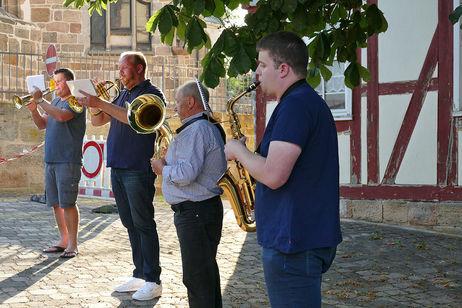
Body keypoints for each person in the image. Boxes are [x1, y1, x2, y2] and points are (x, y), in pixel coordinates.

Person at [224, 31, 343, 307]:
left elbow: (275, 176)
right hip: (301, 237)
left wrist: (238, 151)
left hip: (293, 241)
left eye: (262, 65)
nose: (256, 73)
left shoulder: (296, 106)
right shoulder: (303, 102)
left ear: (284, 69)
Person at [78, 51, 164, 301]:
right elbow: (99, 122)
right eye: (119, 69)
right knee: (129, 222)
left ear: (139, 69)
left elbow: (131, 118)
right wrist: (93, 106)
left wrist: (101, 103)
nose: (120, 74)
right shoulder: (122, 93)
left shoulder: (152, 94)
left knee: (144, 223)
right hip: (118, 165)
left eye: (124, 69)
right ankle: (139, 273)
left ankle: (153, 279)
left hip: (138, 166)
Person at [151, 80, 227, 308]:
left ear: (191, 102)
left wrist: (162, 169)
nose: (174, 108)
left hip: (195, 212)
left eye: (177, 102)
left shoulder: (197, 129)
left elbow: (186, 174)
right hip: (201, 211)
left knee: (196, 278)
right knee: (204, 275)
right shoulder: (203, 126)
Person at [28, 68, 85, 259]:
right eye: (54, 82)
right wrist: (35, 110)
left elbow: (61, 116)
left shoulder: (75, 101)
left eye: (59, 82)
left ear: (69, 83)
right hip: (51, 158)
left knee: (68, 203)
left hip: (68, 159)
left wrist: (40, 101)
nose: (55, 85)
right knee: (56, 203)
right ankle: (63, 240)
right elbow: (42, 124)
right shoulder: (54, 101)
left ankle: (73, 244)